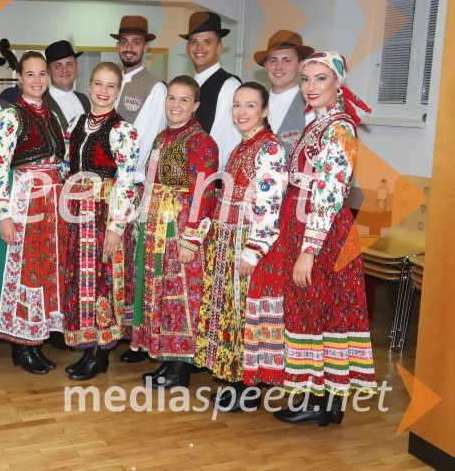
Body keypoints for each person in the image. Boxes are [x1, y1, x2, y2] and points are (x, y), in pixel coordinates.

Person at [246, 52, 377, 426]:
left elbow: (331, 193)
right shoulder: (319, 123)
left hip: (321, 232)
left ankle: (318, 398)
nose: (311, 87)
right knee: (321, 310)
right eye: (306, 80)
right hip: (306, 226)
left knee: (316, 308)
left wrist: (308, 249)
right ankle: (325, 399)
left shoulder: (338, 128)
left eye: (321, 79)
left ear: (338, 84)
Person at [193, 82, 286, 411]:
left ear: (264, 111)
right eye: (237, 105)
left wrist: (253, 249)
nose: (242, 112)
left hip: (246, 241)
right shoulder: (242, 145)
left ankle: (249, 388)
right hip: (226, 238)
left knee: (245, 314)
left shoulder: (269, 148)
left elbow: (269, 206)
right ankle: (235, 380)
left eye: (250, 106)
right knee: (230, 313)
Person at [130, 76, 219, 389]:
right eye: (171, 98)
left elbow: (205, 193)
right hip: (158, 226)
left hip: (181, 227)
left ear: (195, 105)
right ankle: (166, 360)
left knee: (181, 296)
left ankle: (180, 370)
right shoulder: (161, 138)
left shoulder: (202, 142)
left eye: (184, 100)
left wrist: (191, 238)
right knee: (161, 294)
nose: (176, 105)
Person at [0, 51, 67, 374]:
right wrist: (5, 214)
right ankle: (22, 346)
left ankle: (37, 337)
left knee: (45, 270)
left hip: (52, 202)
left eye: (42, 74)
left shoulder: (50, 115)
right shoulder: (10, 116)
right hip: (24, 201)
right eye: (30, 75)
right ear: (18, 78)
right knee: (24, 271)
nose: (37, 81)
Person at [61, 62, 139, 381]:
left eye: (110, 86)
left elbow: (127, 180)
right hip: (78, 211)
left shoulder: (123, 130)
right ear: (89, 85)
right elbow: (66, 165)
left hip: (105, 210)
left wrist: (116, 226)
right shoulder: (77, 122)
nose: (103, 91)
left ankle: (100, 352)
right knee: (83, 279)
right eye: (98, 84)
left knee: (104, 278)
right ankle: (88, 344)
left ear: (118, 91)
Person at [111, 15, 168, 363]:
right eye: (123, 42)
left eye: (136, 42)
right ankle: (117, 328)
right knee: (116, 262)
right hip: (110, 186)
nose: (129, 48)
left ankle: (134, 335)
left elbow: (144, 141)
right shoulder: (113, 81)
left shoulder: (154, 87)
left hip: (130, 185)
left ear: (145, 47)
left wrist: (122, 181)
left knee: (133, 263)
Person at [181, 11, 241, 171]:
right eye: (194, 42)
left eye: (207, 41)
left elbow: (231, 142)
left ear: (219, 47)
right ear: (188, 48)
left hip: (211, 180)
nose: (199, 47)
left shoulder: (229, 86)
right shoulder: (188, 86)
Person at [254, 30, 314, 154]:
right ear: (265, 65)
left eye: (286, 60)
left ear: (300, 65)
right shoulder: (254, 103)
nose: (278, 66)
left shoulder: (311, 106)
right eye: (273, 60)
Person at [43, 40, 90, 127]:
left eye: (69, 64)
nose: (65, 70)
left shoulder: (84, 100)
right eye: (58, 65)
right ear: (48, 70)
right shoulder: (41, 103)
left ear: (77, 66)